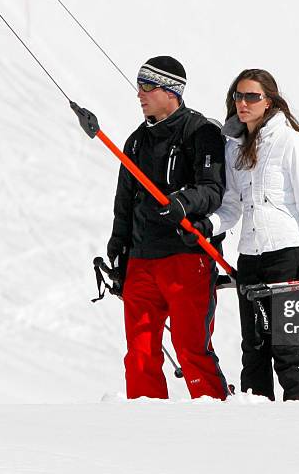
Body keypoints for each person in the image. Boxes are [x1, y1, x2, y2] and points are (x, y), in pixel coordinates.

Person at [183, 68, 299, 401]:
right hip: (250, 258)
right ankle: (257, 425)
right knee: (253, 350)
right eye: (239, 96)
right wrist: (207, 226)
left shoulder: (290, 141)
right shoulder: (233, 147)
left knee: (284, 349)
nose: (243, 103)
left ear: (269, 101)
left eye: (252, 96)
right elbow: (232, 206)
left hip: (287, 256)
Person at [106, 56, 230, 400]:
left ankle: (215, 419)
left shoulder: (200, 132)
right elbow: (125, 201)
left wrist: (182, 203)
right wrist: (119, 250)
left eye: (147, 86)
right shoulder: (135, 141)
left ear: (171, 91)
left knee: (191, 349)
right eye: (139, 85)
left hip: (187, 258)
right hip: (142, 261)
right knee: (140, 355)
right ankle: (147, 425)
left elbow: (212, 189)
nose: (139, 94)